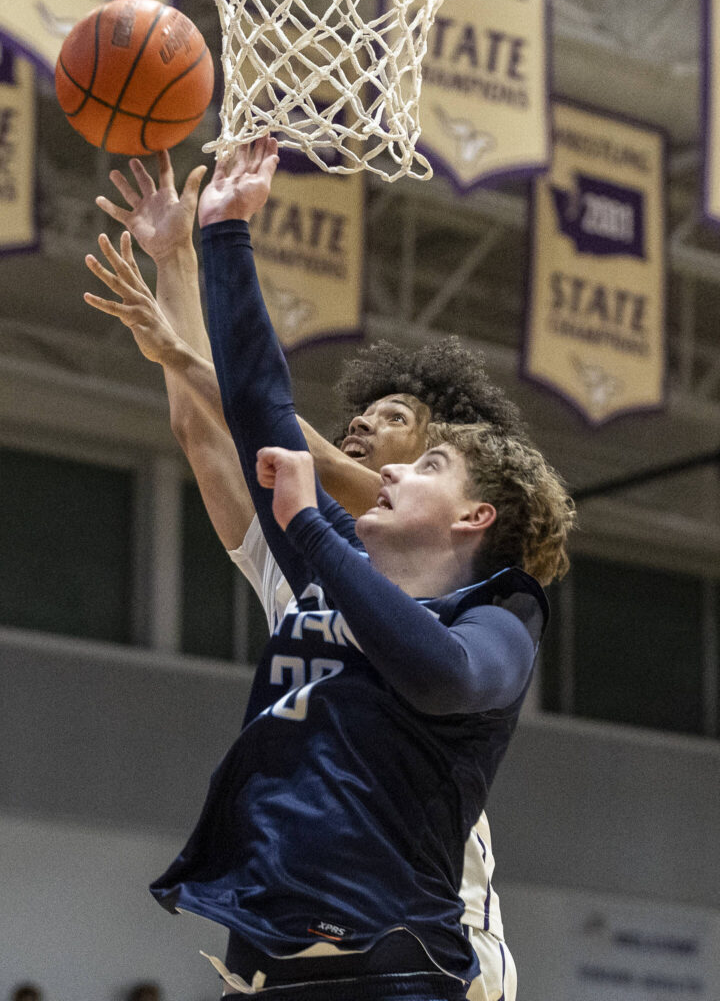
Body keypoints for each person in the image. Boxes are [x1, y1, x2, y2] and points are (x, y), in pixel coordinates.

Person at [85, 137, 574, 1001]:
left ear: (469, 503)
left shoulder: (482, 606)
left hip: (416, 945)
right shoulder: (322, 554)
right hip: (277, 946)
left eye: (401, 436)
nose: (370, 449)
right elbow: (240, 423)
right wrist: (200, 248)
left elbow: (282, 443)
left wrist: (185, 350)